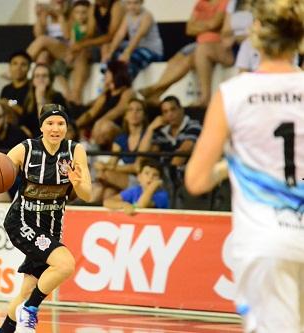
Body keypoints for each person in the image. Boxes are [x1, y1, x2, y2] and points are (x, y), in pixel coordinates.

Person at [185, 1, 304, 331]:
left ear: (256, 36)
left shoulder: (234, 93)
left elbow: (195, 180)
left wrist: (227, 167)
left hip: (266, 241)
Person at [0, 103, 92, 333]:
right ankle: (31, 309)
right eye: (50, 123)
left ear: (67, 126)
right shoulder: (26, 148)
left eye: (61, 123)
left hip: (51, 228)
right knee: (65, 264)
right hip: (22, 221)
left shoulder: (75, 151)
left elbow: (87, 194)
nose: (56, 128)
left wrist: (76, 182)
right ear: (41, 126)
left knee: (26, 290)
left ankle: (4, 330)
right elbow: (0, 167)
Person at [67, 0, 125, 104]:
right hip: (100, 45)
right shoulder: (94, 8)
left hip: (118, 45)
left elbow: (111, 36)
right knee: (82, 53)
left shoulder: (117, 6)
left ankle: (104, 91)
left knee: (104, 48)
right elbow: (90, 33)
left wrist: (83, 44)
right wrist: (77, 47)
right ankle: (76, 94)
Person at [103, 0, 163, 79]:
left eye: (136, 3)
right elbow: (120, 34)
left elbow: (138, 36)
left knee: (131, 59)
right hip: (136, 47)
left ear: (142, 3)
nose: (132, 6)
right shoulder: (128, 16)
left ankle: (125, 82)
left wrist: (127, 53)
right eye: (129, 3)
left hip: (151, 50)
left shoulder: (147, 16)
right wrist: (110, 52)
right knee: (107, 47)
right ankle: (107, 75)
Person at [103, 158, 168, 214]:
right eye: (147, 173)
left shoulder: (162, 195)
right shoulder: (135, 190)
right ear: (139, 177)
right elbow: (107, 202)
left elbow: (141, 205)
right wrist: (124, 205)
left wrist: (153, 186)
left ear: (160, 180)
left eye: (155, 175)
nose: (150, 177)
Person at [20, 64, 67, 138]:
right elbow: (23, 122)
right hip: (31, 138)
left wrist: (40, 99)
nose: (40, 79)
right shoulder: (27, 97)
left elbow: (46, 124)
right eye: (37, 76)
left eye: (44, 76)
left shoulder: (57, 97)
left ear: (50, 79)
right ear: (33, 80)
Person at [0, 51, 33, 121]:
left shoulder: (33, 89)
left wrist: (9, 103)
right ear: (10, 66)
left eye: (23, 64)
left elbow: (32, 115)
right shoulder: (6, 89)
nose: (18, 68)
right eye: (15, 64)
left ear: (29, 68)